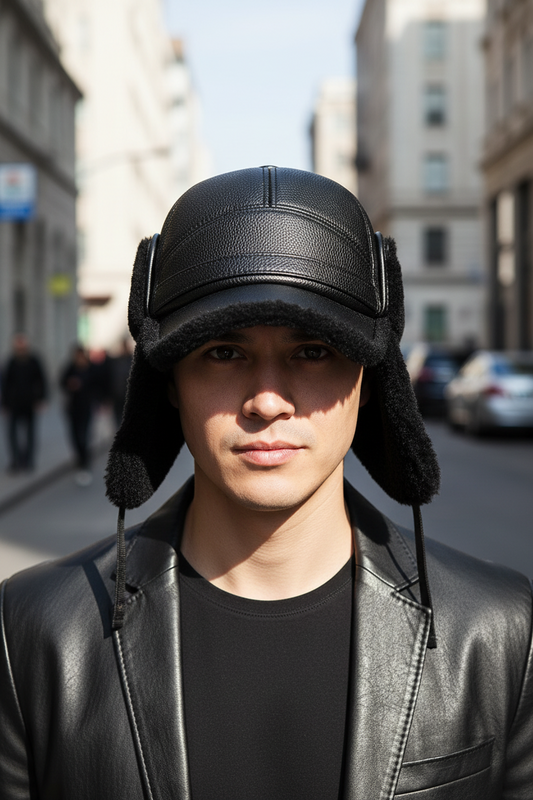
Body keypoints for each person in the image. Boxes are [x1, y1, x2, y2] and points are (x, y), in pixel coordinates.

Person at [0, 167, 531, 799]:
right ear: (170, 382)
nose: (268, 400)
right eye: (224, 353)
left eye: (314, 351)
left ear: (368, 377)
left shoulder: (498, 631)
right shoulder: (34, 633)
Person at [1, 333, 47, 472]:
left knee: (30, 433)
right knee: (12, 434)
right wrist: (5, 403)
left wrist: (41, 399)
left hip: (29, 402)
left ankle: (28, 460)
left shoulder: (33, 361)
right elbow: (6, 384)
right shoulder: (11, 362)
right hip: (14, 403)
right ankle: (16, 460)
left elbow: (41, 380)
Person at [59, 344, 97, 486]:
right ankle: (80, 458)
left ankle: (84, 461)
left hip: (86, 406)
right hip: (73, 407)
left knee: (83, 435)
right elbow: (61, 382)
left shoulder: (91, 368)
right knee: (74, 435)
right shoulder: (70, 368)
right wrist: (70, 384)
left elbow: (97, 384)